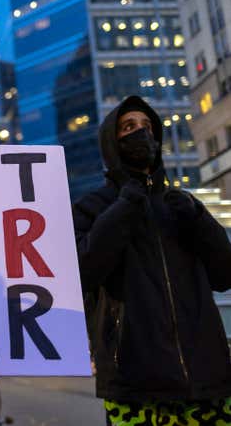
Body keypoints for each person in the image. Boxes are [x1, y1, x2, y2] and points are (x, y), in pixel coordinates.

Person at [73, 95, 231, 425]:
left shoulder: (181, 206)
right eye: (128, 127)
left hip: (207, 382)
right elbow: (81, 274)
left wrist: (199, 220)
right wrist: (124, 207)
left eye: (147, 127)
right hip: (134, 386)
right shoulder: (94, 207)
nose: (140, 134)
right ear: (111, 143)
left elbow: (225, 274)